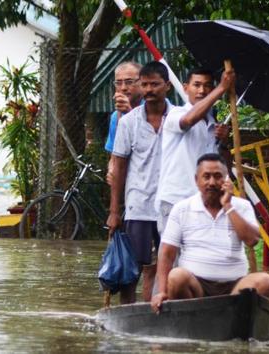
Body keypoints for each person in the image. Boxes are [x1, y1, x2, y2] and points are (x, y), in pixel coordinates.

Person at [151, 153, 269, 313]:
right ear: (197, 180)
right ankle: (193, 320)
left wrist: (228, 206)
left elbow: (252, 240)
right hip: (196, 288)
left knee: (266, 282)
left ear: (227, 180)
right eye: (206, 177)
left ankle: (236, 320)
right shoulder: (182, 208)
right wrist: (162, 292)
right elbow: (167, 254)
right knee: (176, 277)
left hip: (235, 287)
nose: (212, 182)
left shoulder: (241, 206)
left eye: (218, 177)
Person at [106, 61, 173, 304]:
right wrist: (115, 212)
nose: (149, 90)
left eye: (154, 84)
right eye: (145, 85)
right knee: (131, 268)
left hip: (169, 206)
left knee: (162, 268)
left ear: (167, 86)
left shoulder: (178, 119)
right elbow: (118, 167)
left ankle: (154, 312)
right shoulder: (127, 121)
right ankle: (127, 314)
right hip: (138, 205)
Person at [154, 68, 232, 234]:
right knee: (172, 258)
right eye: (197, 85)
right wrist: (222, 88)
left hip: (204, 203)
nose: (202, 90)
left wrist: (224, 141)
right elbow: (189, 120)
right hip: (175, 201)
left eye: (208, 86)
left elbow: (225, 168)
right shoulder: (176, 114)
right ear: (185, 87)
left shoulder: (214, 125)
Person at [105, 61, 144, 185]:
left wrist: (130, 113)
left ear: (142, 82)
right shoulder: (115, 117)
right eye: (118, 83)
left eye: (129, 82)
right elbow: (114, 154)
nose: (123, 88)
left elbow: (150, 142)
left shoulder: (154, 107)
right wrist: (111, 169)